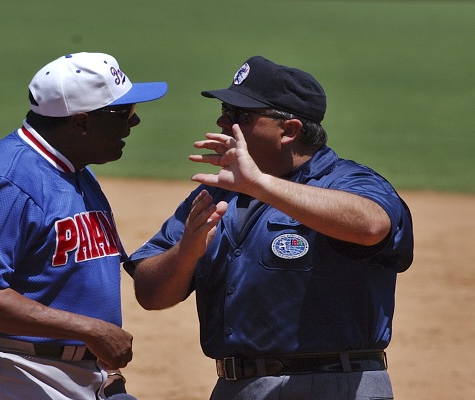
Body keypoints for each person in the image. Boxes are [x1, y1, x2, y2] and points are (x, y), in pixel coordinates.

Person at [127, 56, 413, 400]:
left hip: (338, 385)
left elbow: (371, 225)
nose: (221, 120)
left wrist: (260, 184)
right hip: (237, 387)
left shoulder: (349, 181)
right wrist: (185, 252)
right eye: (224, 109)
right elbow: (150, 293)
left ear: (289, 130)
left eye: (239, 116)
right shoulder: (217, 193)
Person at [0, 52, 167, 400]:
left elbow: (80, 284)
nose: (135, 122)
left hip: (69, 374)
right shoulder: (5, 182)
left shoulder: (76, 173)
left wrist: (104, 372)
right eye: (123, 113)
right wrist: (89, 331)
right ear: (81, 123)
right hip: (8, 374)